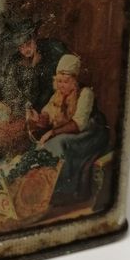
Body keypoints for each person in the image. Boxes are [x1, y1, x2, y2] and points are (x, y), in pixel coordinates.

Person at [28, 54, 110, 206]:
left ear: (74, 81)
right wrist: (38, 118)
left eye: (66, 82)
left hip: (91, 134)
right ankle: (46, 189)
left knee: (60, 143)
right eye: (59, 81)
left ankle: (64, 191)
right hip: (72, 133)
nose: (62, 85)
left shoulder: (85, 93)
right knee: (46, 146)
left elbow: (79, 124)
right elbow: (47, 116)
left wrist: (52, 132)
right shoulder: (57, 96)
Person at [0, 18, 68, 118]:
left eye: (28, 44)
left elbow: (51, 86)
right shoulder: (15, 61)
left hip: (53, 106)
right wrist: (5, 106)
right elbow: (8, 86)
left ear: (34, 39)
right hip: (27, 110)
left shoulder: (52, 49)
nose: (26, 50)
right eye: (21, 47)